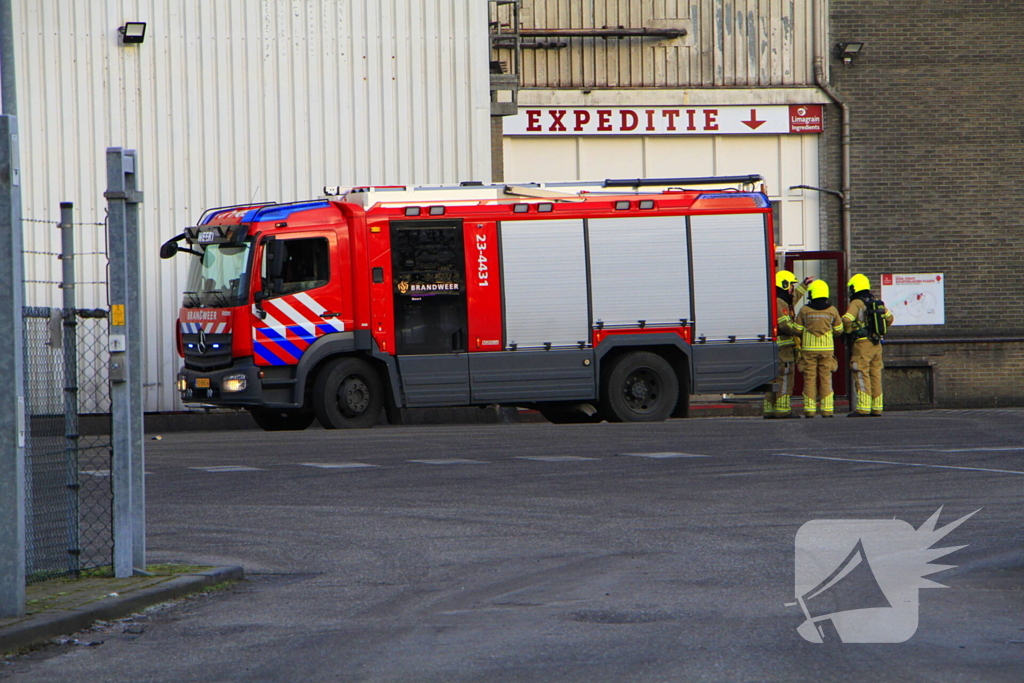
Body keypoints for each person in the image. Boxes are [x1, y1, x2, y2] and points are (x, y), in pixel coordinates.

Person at [843, 274, 895, 417]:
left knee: (861, 372)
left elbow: (846, 320)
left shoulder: (857, 303)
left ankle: (863, 408)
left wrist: (849, 331)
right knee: (875, 374)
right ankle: (877, 407)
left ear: (855, 287)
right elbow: (890, 318)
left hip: (862, 344)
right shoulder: (876, 302)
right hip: (876, 343)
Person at [791, 280, 844, 418]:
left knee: (809, 380)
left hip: (808, 350)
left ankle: (810, 410)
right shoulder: (832, 310)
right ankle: (827, 410)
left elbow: (797, 329)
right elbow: (839, 330)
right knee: (826, 379)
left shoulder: (804, 310)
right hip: (827, 350)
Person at [764, 271, 813, 419]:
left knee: (773, 380)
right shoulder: (780, 302)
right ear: (784, 284)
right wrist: (801, 330)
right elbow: (785, 325)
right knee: (784, 380)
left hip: (776, 350)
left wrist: (804, 286)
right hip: (783, 352)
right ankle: (783, 410)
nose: (792, 288)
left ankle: (770, 409)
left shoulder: (780, 299)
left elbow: (793, 299)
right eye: (791, 285)